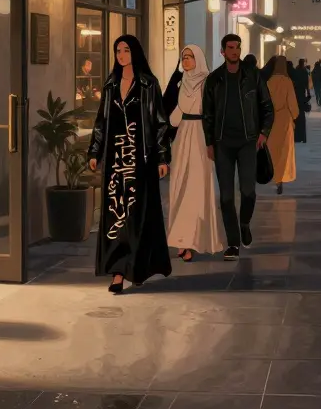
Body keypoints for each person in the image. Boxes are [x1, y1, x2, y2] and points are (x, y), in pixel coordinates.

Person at [86, 35, 173, 294]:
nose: (121, 55)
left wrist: (162, 157)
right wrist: (95, 151)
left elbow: (160, 122)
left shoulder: (149, 84)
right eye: (117, 51)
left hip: (140, 159)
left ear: (135, 52)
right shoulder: (111, 84)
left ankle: (137, 267)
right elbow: (102, 121)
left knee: (138, 217)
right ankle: (117, 272)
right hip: (115, 160)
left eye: (125, 50)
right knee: (116, 215)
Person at [202, 34, 274, 260]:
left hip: (248, 142)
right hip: (223, 143)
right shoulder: (214, 80)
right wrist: (209, 143)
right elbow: (208, 115)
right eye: (230, 48)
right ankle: (233, 242)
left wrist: (263, 133)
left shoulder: (253, 76)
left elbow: (267, 107)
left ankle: (244, 223)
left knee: (248, 192)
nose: (235, 51)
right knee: (225, 197)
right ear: (223, 51)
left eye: (237, 47)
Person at [165, 45, 224, 261]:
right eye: (184, 57)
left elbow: (214, 112)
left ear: (198, 58)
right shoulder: (180, 81)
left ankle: (195, 238)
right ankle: (181, 239)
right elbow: (173, 114)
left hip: (200, 136)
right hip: (182, 137)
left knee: (196, 189)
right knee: (179, 186)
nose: (186, 60)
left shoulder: (208, 82)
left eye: (190, 57)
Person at [265, 55, 300, 195]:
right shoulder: (287, 81)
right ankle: (281, 177)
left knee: (272, 148)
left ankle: (273, 176)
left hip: (272, 120)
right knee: (284, 150)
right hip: (285, 119)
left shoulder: (269, 82)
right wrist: (295, 116)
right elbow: (292, 103)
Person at [292, 59, 312, 143]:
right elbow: (306, 84)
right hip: (302, 95)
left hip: (295, 95)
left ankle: (296, 136)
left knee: (296, 116)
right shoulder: (304, 72)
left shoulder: (295, 71)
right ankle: (302, 137)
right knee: (302, 115)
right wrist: (308, 93)